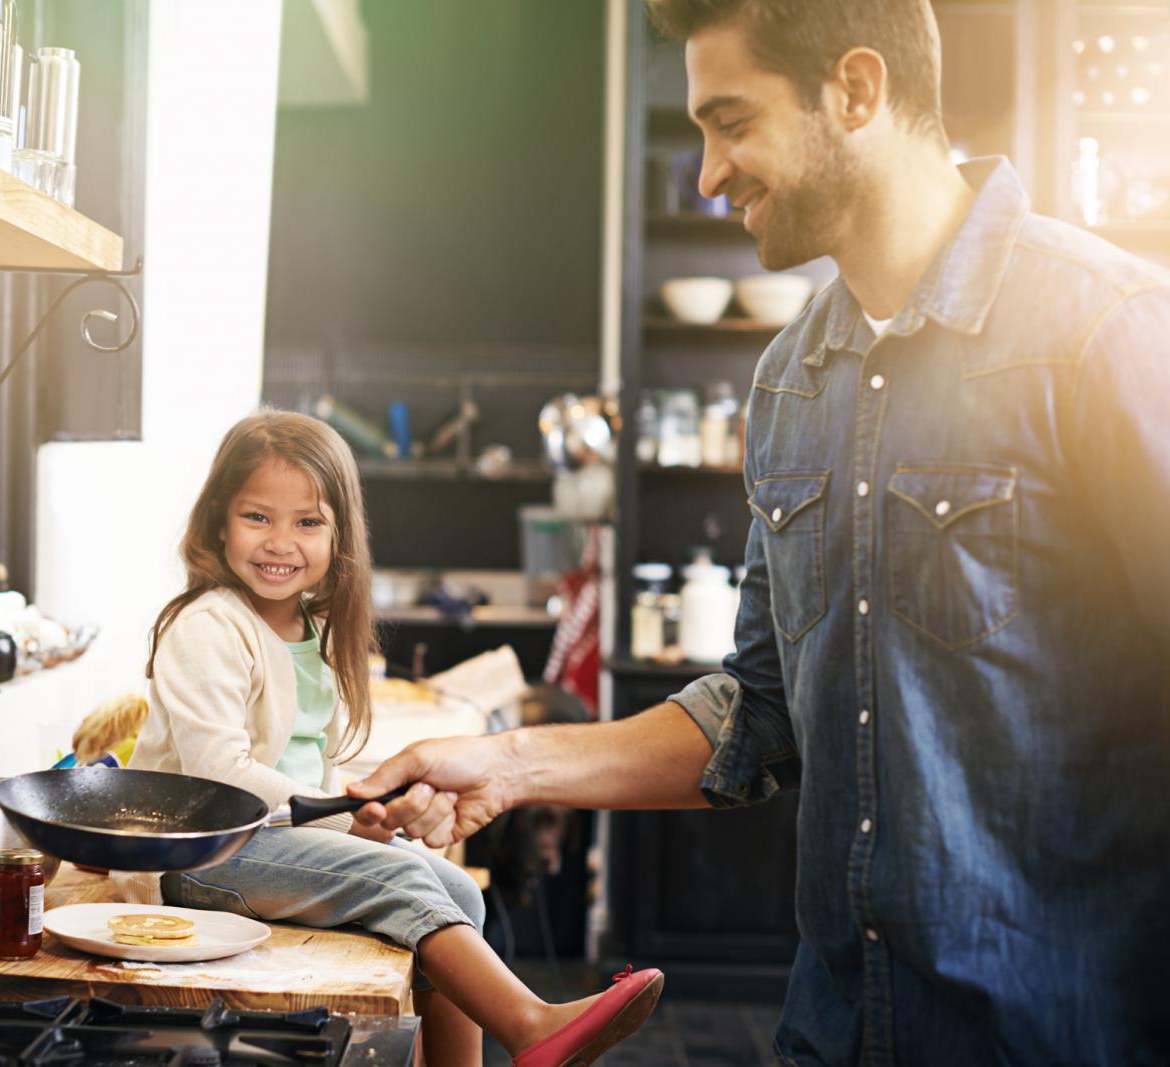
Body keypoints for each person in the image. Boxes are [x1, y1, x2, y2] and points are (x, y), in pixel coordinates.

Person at [348, 1, 1170, 1063]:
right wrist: (505, 764)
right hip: (837, 1031)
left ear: (857, 90)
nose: (705, 174)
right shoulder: (790, 380)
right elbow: (760, 706)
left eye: (730, 120)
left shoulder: (1105, 330)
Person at [126, 410, 665, 1066]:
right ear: (218, 520)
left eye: (308, 521)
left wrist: (359, 815)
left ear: (338, 534)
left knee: (461, 892)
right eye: (257, 516)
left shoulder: (310, 627)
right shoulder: (208, 624)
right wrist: (345, 814)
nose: (280, 542)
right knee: (407, 880)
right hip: (201, 857)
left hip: (267, 840)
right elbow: (224, 778)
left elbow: (299, 763)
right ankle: (529, 1024)